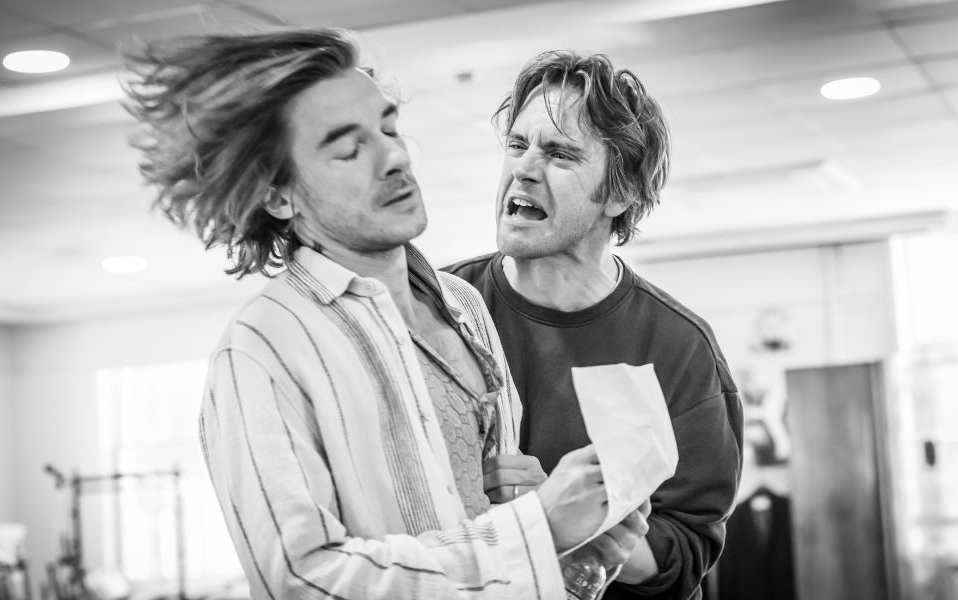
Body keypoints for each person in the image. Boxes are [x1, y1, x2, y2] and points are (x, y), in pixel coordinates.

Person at [123, 29, 636, 599]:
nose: (393, 155)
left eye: (389, 127)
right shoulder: (262, 349)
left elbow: (489, 518)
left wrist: (565, 558)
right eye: (349, 148)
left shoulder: (464, 305)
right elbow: (305, 579)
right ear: (276, 195)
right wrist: (534, 530)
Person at [445, 51, 744, 600]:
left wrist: (568, 520)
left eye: (559, 153)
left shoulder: (678, 347)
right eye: (517, 145)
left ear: (620, 192)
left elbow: (686, 551)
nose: (524, 169)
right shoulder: (441, 311)